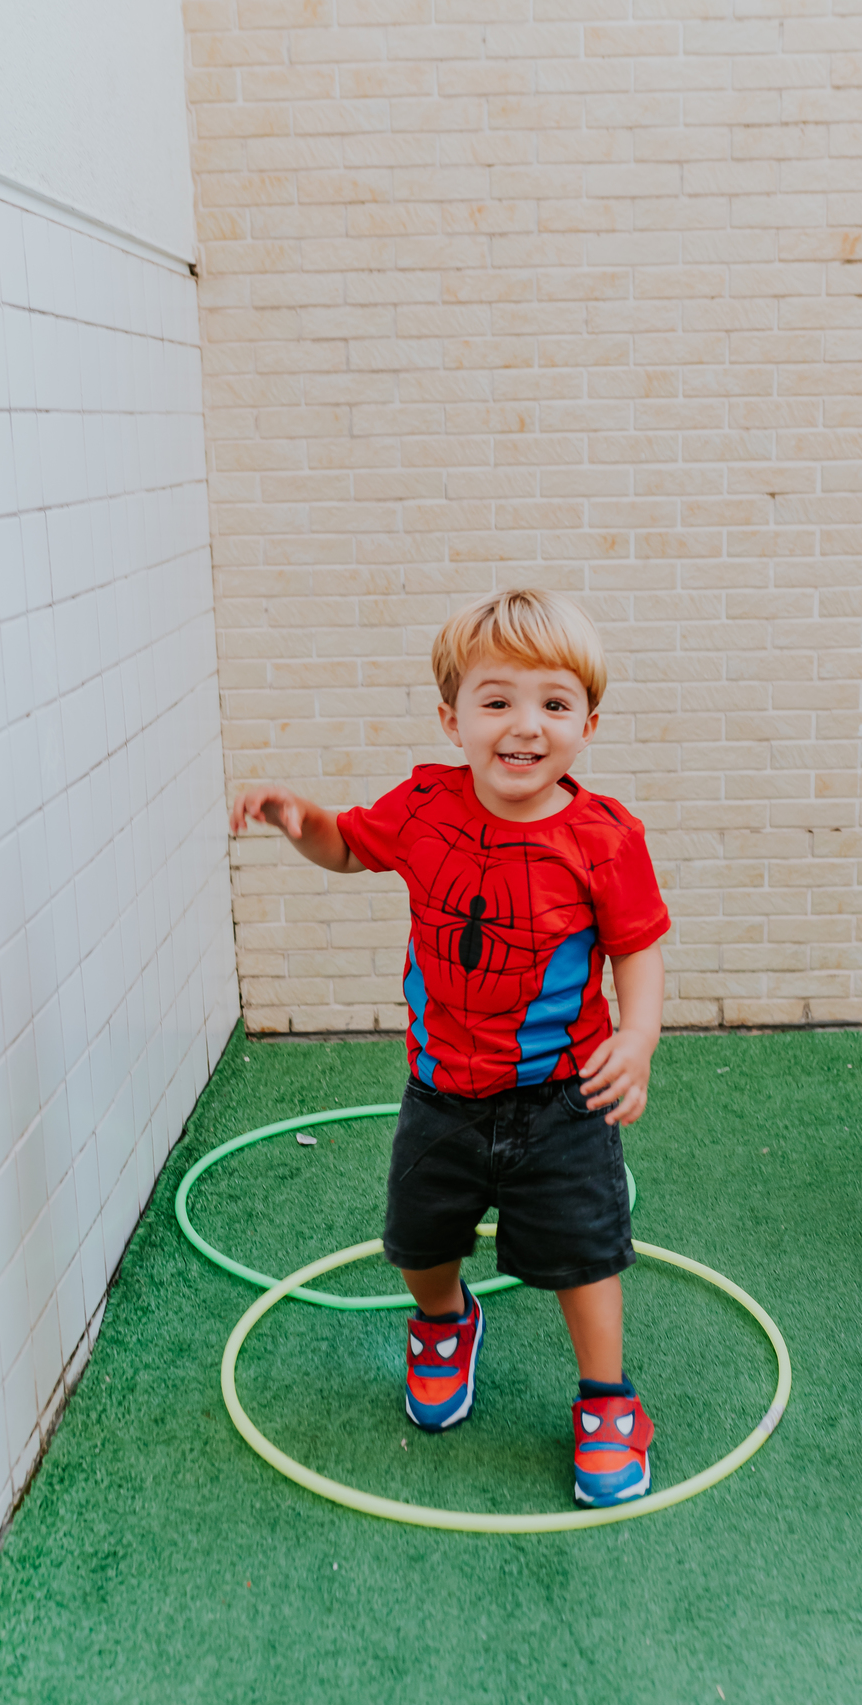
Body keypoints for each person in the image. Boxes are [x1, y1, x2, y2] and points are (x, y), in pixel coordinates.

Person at [229, 589, 669, 1507]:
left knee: (585, 1255)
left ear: (588, 726)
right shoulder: (425, 805)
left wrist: (637, 1036)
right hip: (442, 1089)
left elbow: (637, 948)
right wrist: (299, 818)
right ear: (452, 718)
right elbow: (347, 847)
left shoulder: (604, 838)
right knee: (418, 1240)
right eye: (497, 700)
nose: (525, 725)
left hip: (563, 1094)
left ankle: (608, 1400)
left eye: (554, 703)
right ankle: (444, 1322)